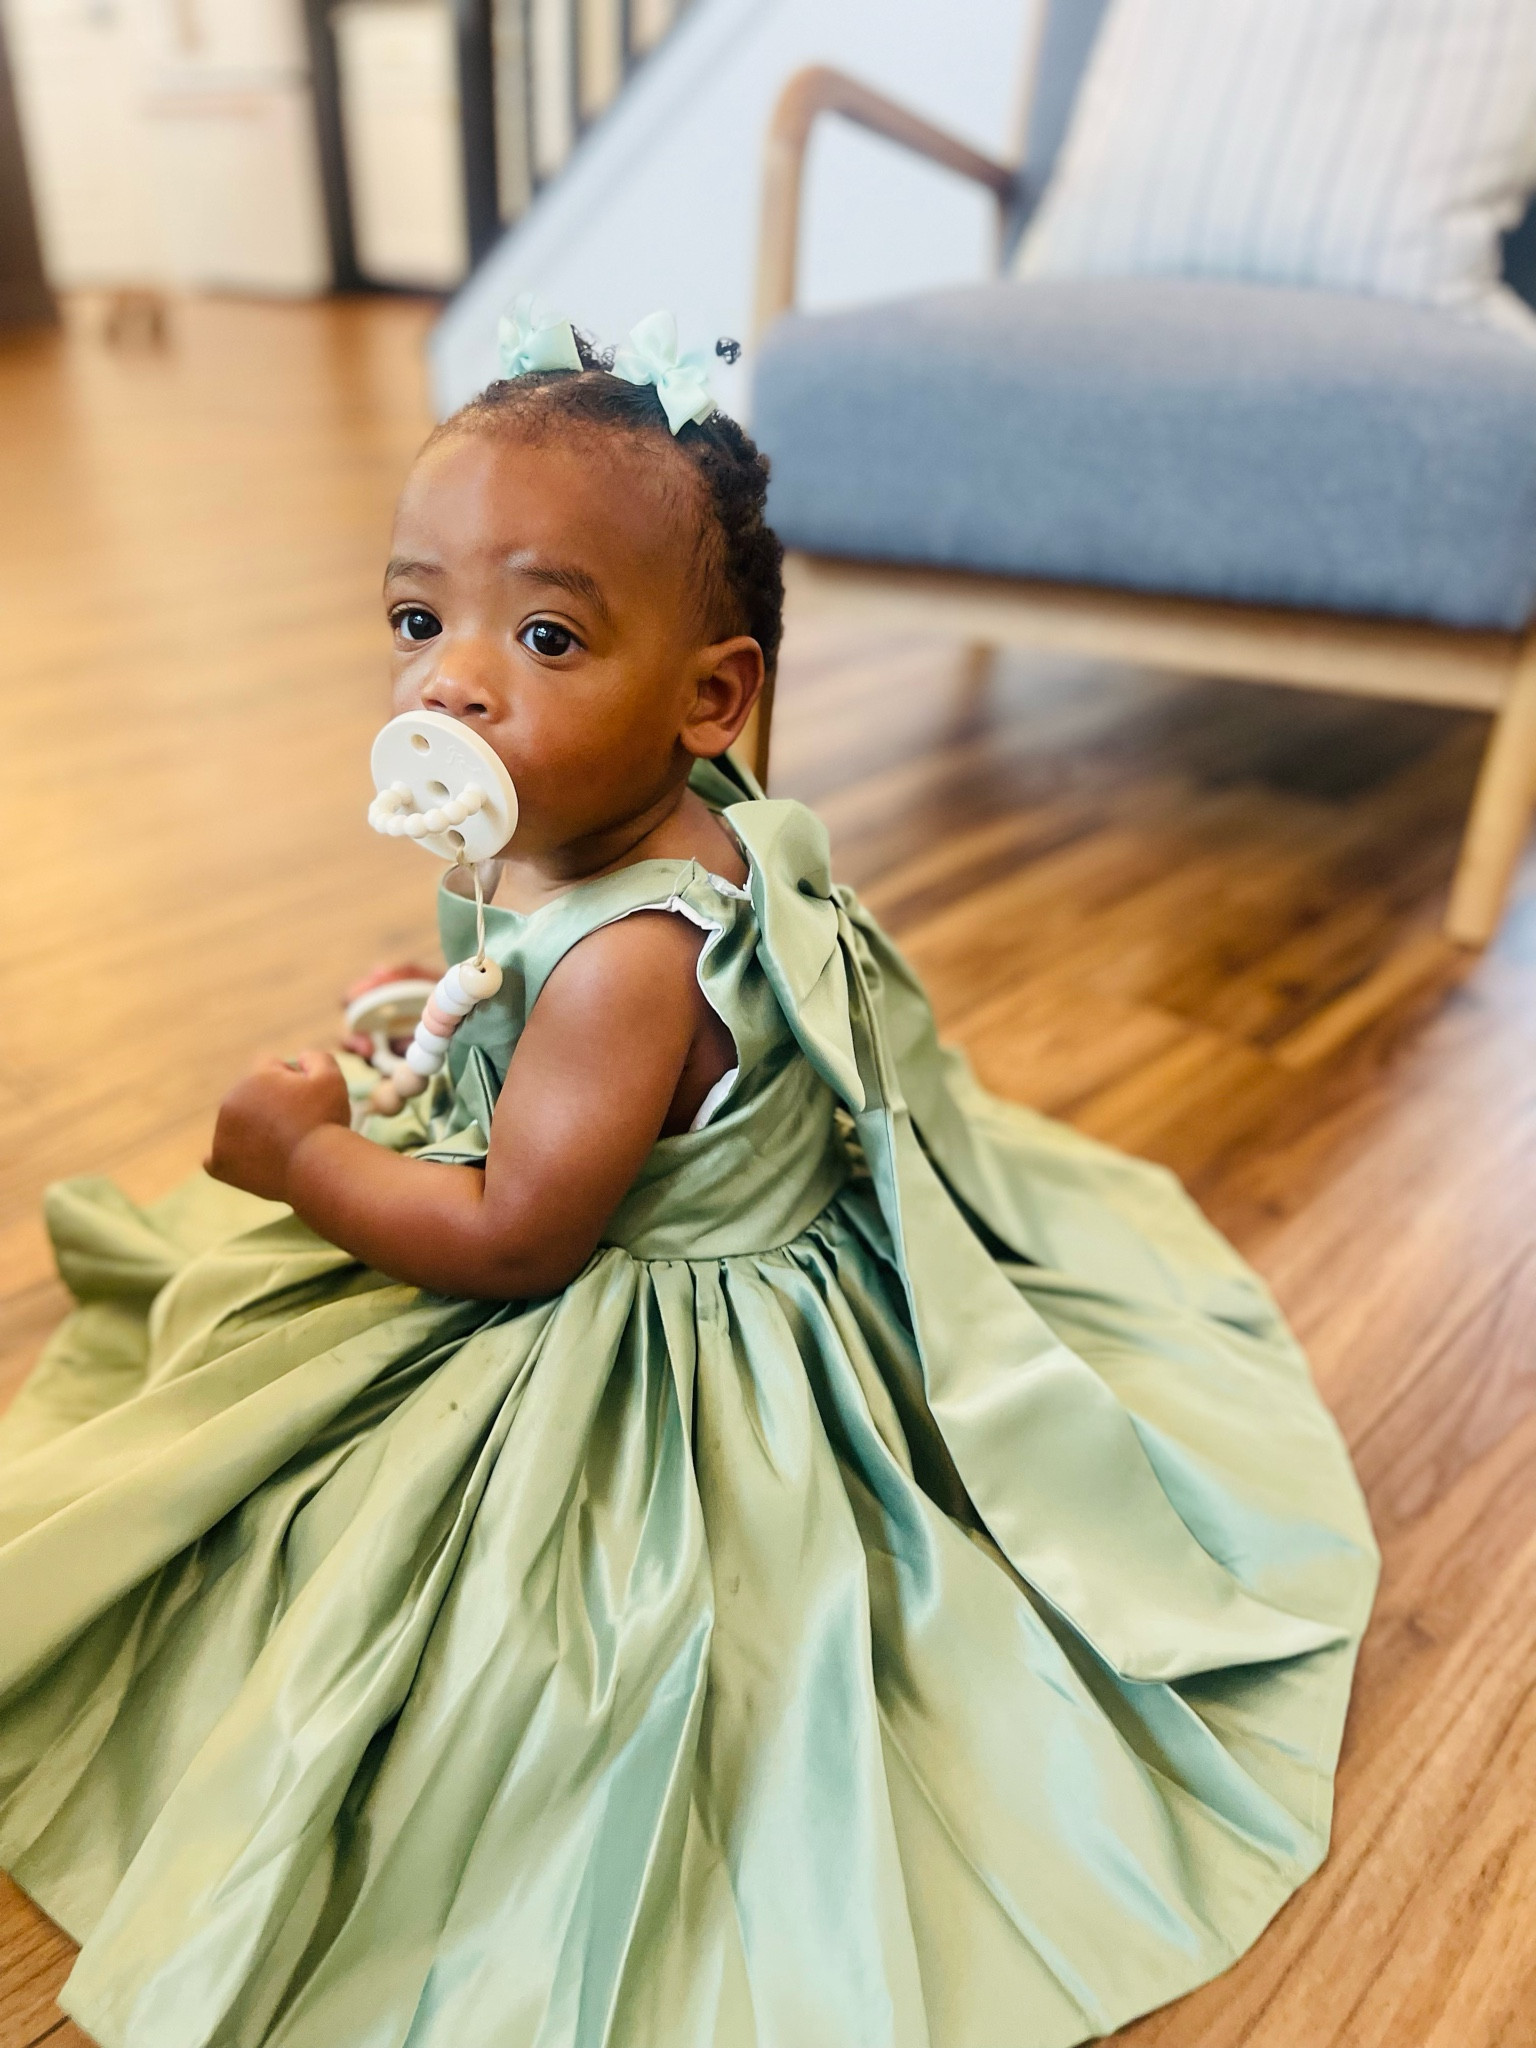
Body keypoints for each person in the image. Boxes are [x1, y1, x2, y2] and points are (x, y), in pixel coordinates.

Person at [0, 305, 1378, 2048]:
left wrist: (307, 1159)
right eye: (419, 619)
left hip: (645, 1321)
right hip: (617, 1154)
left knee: (396, 1591)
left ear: (710, 694)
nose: (449, 684)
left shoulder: (626, 962)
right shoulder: (618, 821)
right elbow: (531, 968)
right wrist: (449, 1000)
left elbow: (514, 1237)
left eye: (546, 634)